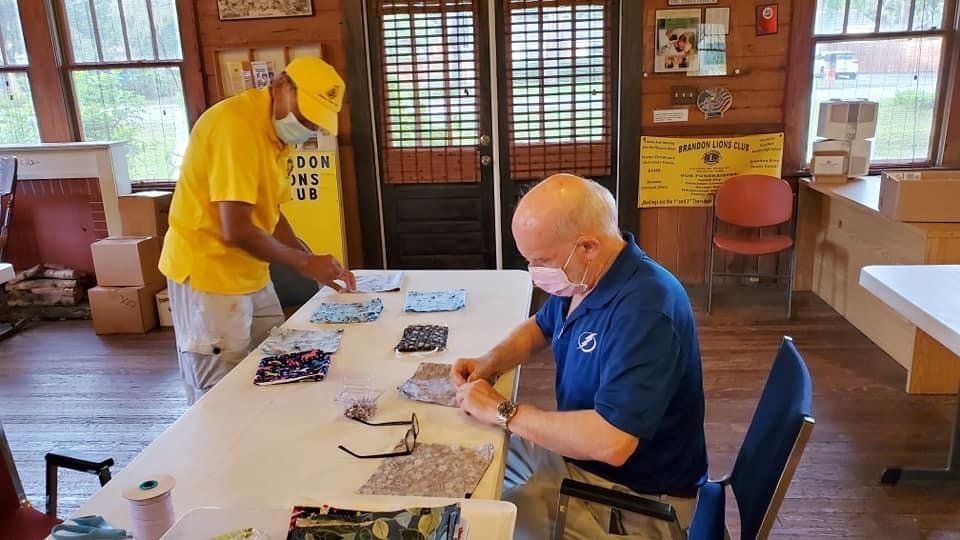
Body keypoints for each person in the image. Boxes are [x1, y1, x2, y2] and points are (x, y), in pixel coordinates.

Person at [451, 174, 707, 539]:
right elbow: (539, 328)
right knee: (467, 449)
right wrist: (490, 361)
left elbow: (612, 442)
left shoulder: (646, 311)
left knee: (478, 525)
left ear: (588, 246)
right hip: (582, 462)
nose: (535, 273)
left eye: (541, 260)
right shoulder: (587, 277)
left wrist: (503, 410)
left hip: (634, 500)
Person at [160, 56, 356, 405]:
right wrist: (302, 263)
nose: (306, 126)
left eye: (314, 123)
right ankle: (221, 457)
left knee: (275, 365)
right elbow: (235, 228)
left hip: (250, 270)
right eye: (304, 114)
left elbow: (271, 213)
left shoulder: (274, 134)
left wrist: (310, 261)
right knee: (217, 394)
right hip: (210, 274)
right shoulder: (236, 127)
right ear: (281, 85)